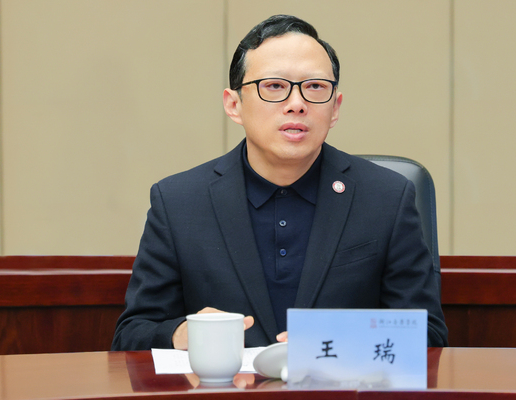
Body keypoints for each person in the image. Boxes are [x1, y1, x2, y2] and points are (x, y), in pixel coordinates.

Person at [111, 14, 448, 351]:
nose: (297, 104)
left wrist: (336, 341)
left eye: (315, 87)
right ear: (234, 104)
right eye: (274, 86)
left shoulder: (386, 197)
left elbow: (429, 335)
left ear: (335, 108)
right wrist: (179, 334)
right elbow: (132, 335)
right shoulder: (178, 202)